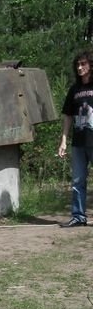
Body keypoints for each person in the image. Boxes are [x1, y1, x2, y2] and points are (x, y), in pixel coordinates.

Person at [58, 50, 93, 227]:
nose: (80, 67)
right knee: (78, 180)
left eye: (83, 64)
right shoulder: (75, 90)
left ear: (91, 65)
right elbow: (68, 116)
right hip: (78, 143)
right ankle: (79, 216)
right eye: (78, 65)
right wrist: (63, 140)